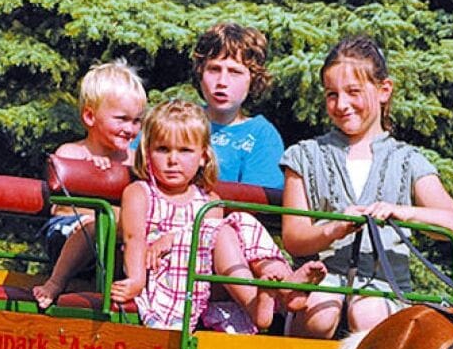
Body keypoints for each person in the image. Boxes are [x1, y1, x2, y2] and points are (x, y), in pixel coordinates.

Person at [280, 36, 453, 338]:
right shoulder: (303, 156)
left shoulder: (407, 160)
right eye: (331, 94)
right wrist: (334, 229)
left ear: (384, 90)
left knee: (368, 311)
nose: (342, 105)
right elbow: (294, 237)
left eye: (353, 92)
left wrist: (400, 212)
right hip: (319, 278)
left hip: (384, 284)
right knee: (321, 312)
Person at [117, 100, 319, 332]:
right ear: (147, 152)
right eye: (163, 149)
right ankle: (256, 303)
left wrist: (173, 238)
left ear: (203, 156)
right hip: (167, 275)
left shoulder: (208, 199)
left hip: (207, 275)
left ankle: (284, 284)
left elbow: (213, 244)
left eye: (184, 150)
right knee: (220, 230)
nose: (173, 160)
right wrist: (136, 280)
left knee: (239, 221)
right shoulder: (141, 193)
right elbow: (133, 239)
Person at [33, 59, 146, 309]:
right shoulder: (73, 153)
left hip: (113, 241)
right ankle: (55, 282)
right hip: (67, 234)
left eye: (137, 121)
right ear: (89, 116)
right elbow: (61, 208)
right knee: (99, 224)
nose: (130, 129)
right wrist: (97, 182)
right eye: (121, 119)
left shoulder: (135, 159)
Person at [193, 22, 285, 187]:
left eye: (235, 72)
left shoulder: (261, 135)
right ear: (200, 72)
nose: (222, 82)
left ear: (253, 79)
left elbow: (254, 204)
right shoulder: (175, 120)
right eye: (214, 69)